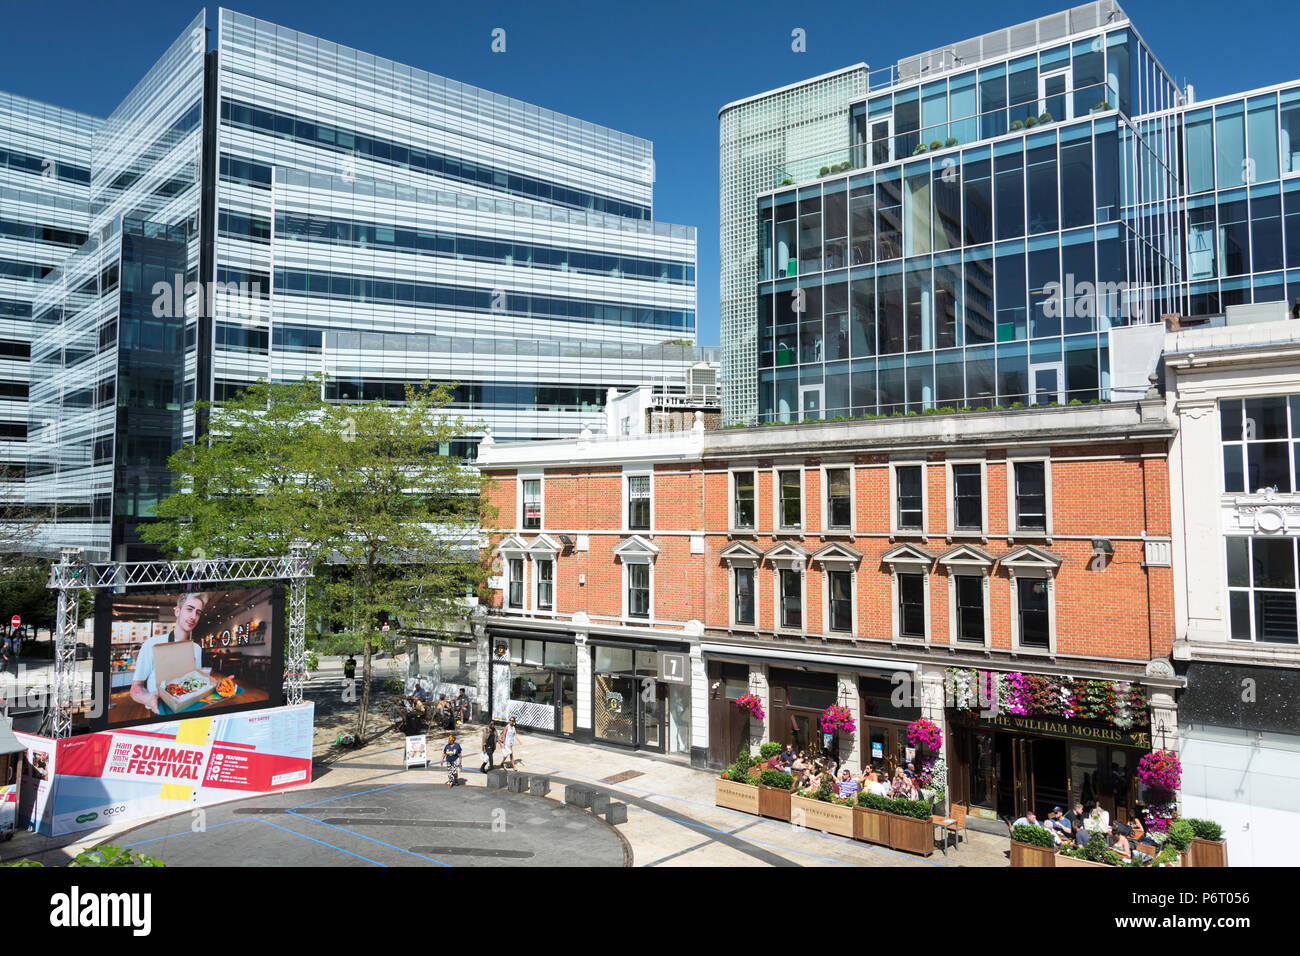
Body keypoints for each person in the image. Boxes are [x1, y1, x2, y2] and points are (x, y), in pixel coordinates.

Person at [130, 593, 210, 715]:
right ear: (177, 611)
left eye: (198, 612)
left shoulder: (197, 649)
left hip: (188, 710)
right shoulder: (152, 644)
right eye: (189, 609)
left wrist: (214, 686)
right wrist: (149, 699)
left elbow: (195, 683)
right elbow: (136, 687)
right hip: (160, 712)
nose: (193, 617)